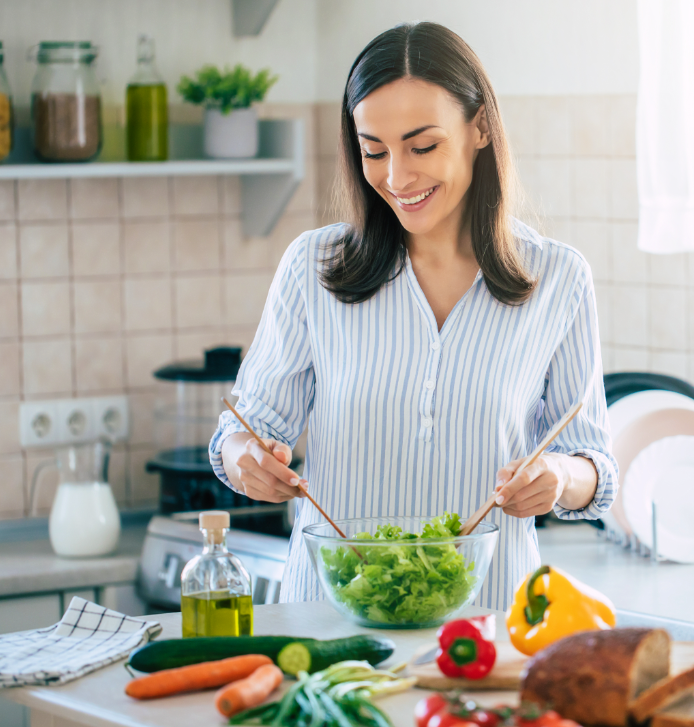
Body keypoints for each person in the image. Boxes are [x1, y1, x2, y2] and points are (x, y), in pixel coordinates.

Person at [209, 21, 616, 610]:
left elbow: (596, 466)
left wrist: (560, 477)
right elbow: (241, 432)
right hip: (333, 627)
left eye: (422, 146)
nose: (397, 179)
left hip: (485, 631)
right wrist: (246, 460)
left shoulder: (558, 279)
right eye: (375, 151)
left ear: (480, 128)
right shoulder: (312, 267)